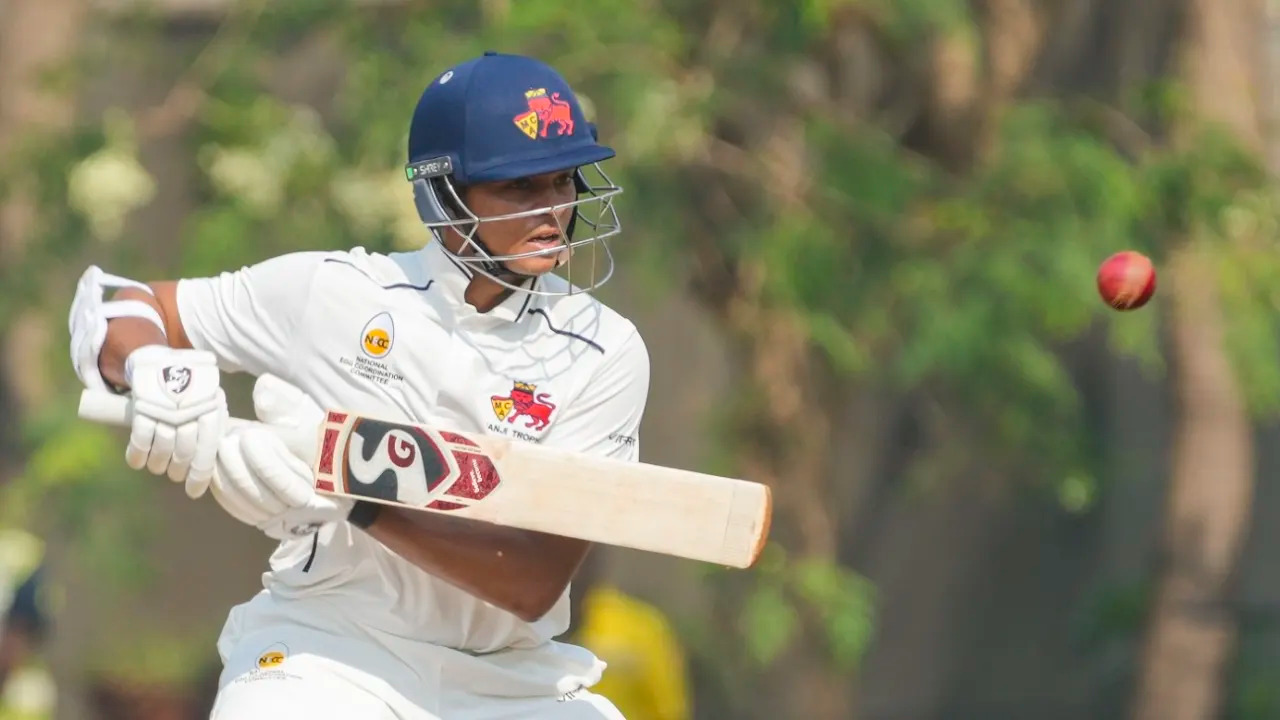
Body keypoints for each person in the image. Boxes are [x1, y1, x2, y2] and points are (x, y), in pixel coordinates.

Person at [67, 51, 649, 720]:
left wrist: (349, 490)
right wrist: (154, 371)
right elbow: (129, 306)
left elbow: (532, 581)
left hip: (511, 680)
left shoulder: (604, 350)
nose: (553, 208)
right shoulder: (337, 293)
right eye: (519, 187)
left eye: (563, 180)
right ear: (444, 192)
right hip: (331, 648)